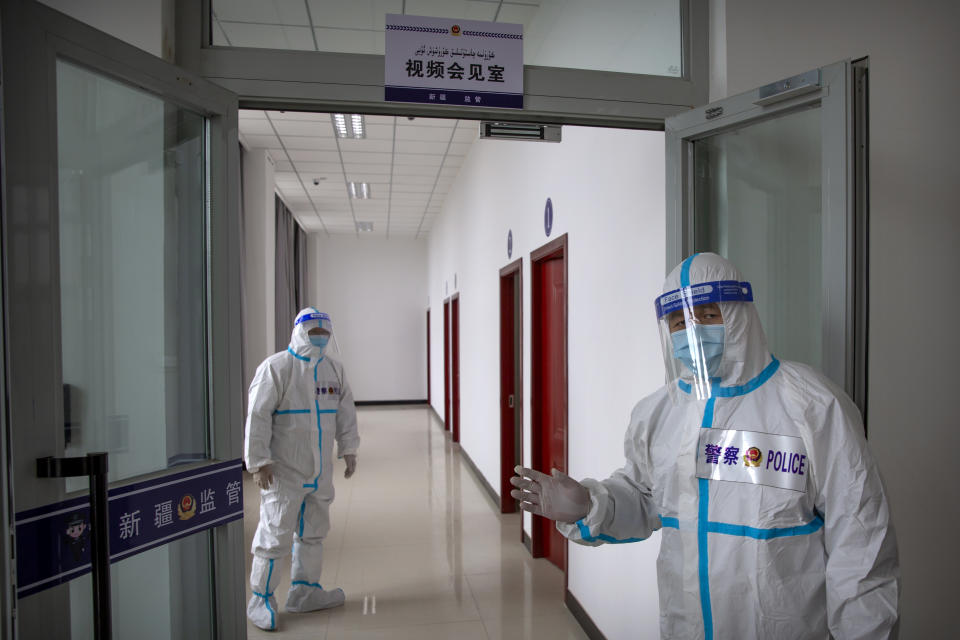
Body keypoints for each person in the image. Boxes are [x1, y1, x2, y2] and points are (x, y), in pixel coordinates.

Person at [511, 253, 900, 639]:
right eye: (679, 322)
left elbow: (859, 540)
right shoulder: (659, 414)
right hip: (687, 627)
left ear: (739, 313)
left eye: (708, 315)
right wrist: (590, 505)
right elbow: (646, 497)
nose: (693, 332)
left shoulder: (811, 406)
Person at [244, 307, 360, 631]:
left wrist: (349, 448)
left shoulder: (333, 370)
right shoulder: (276, 368)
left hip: (320, 472)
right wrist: (258, 461)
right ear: (300, 332)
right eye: (314, 334)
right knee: (275, 534)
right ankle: (260, 599)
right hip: (284, 473)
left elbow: (345, 413)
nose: (320, 339)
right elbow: (257, 416)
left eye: (325, 334)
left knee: (313, 532)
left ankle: (304, 591)